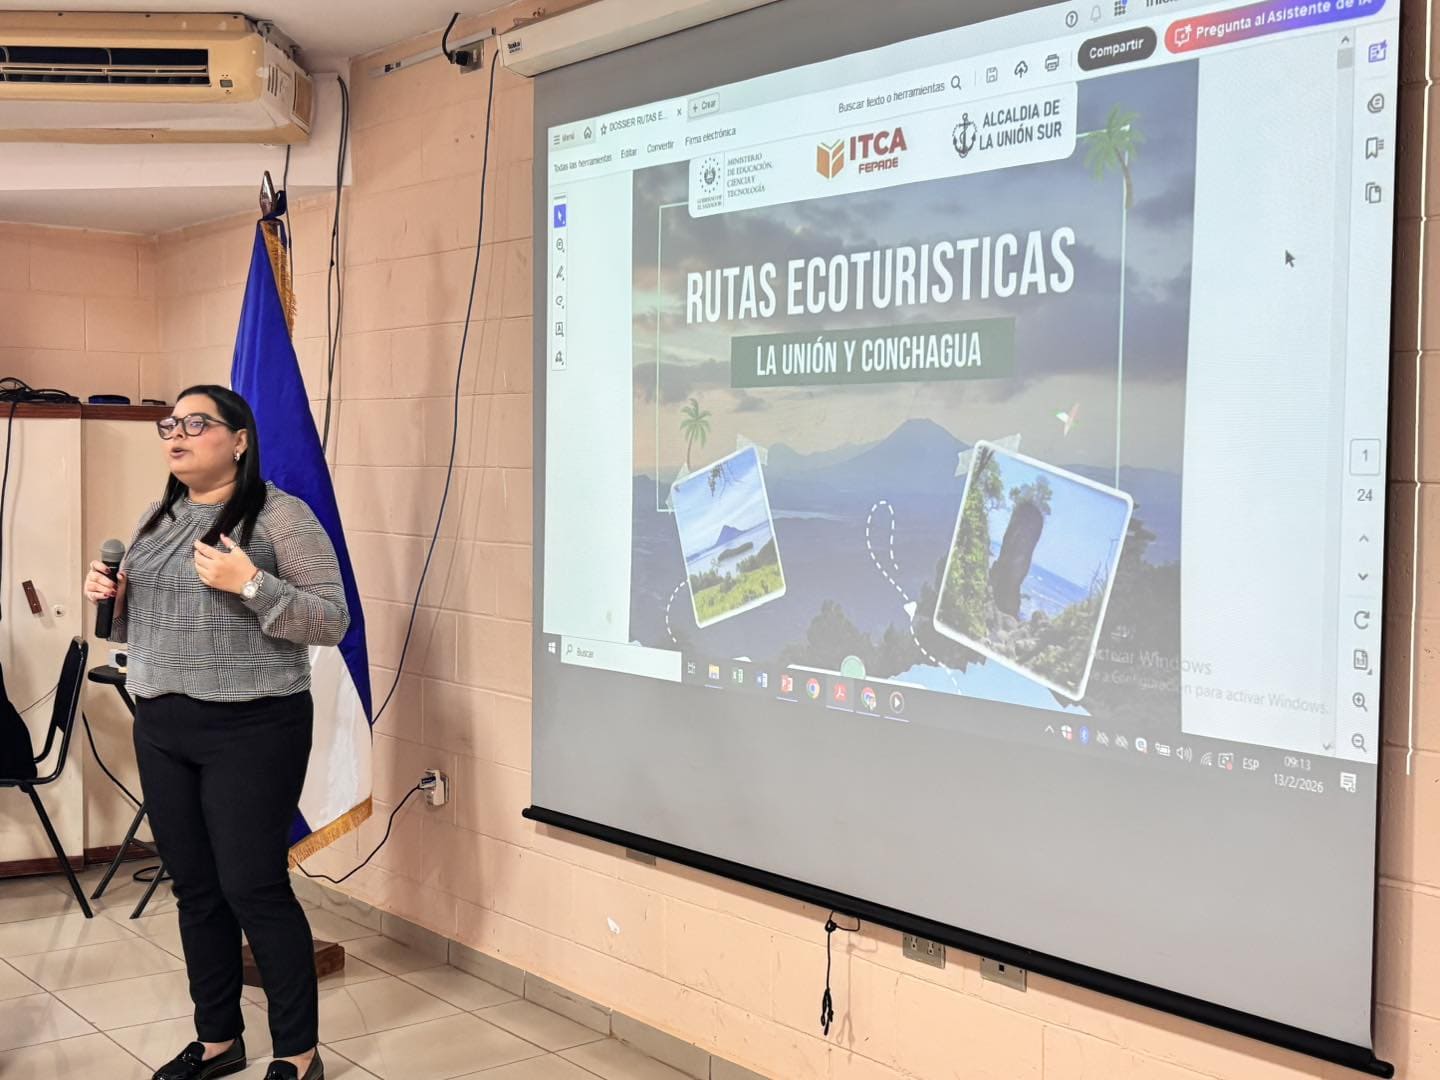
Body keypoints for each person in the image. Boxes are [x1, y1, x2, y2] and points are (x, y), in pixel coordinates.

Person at [85, 385, 345, 1080]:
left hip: (253, 726)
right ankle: (219, 1040)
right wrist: (111, 596)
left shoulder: (281, 516)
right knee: (196, 889)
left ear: (239, 440)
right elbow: (152, 623)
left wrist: (252, 583)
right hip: (162, 721)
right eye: (170, 424)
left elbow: (332, 620)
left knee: (252, 886)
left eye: (196, 423)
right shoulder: (159, 515)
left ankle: (298, 1052)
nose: (177, 434)